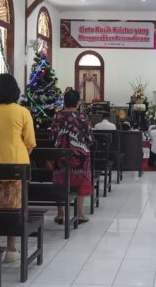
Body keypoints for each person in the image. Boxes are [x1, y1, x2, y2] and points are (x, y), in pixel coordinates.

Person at [0, 73, 36, 263]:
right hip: (17, 163)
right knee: (14, 205)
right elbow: (29, 142)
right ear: (15, 91)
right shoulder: (22, 112)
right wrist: (19, 155)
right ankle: (11, 248)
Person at [51, 90, 93, 224]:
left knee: (59, 180)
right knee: (81, 181)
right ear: (78, 102)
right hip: (80, 154)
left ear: (64, 101)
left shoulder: (57, 116)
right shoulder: (82, 117)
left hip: (60, 154)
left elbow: (52, 136)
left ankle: (60, 214)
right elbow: (90, 138)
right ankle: (80, 213)